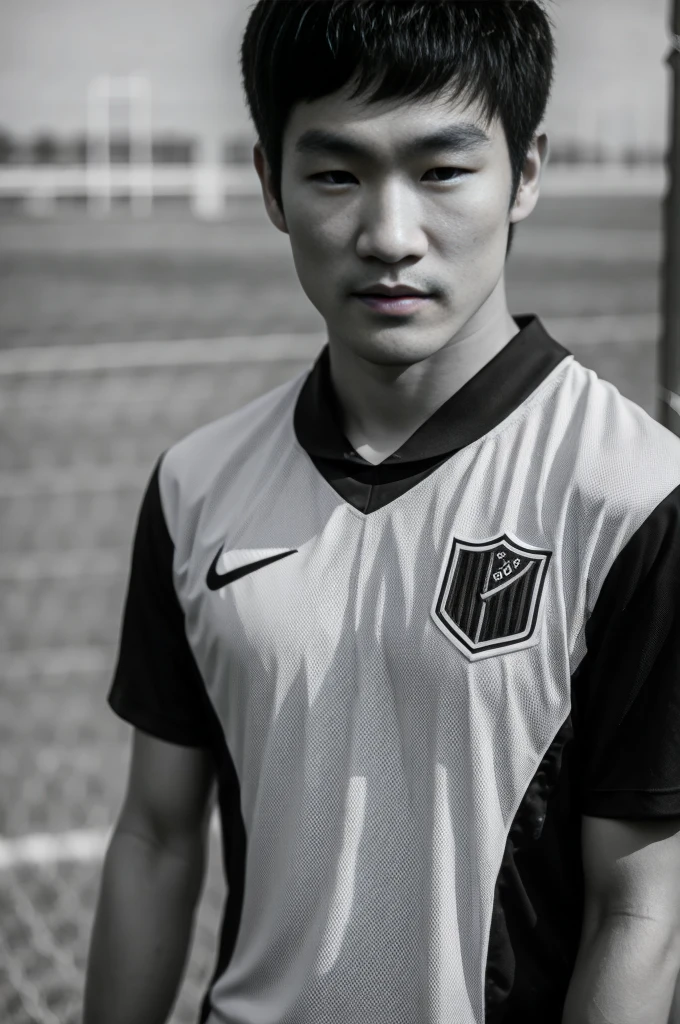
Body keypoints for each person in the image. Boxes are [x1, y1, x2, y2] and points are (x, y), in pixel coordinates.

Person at [83, 2, 680, 1023]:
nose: (387, 234)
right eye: (335, 174)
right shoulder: (196, 483)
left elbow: (641, 912)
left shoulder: (631, 496)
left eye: (441, 170)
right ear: (270, 183)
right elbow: (156, 835)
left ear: (524, 171)